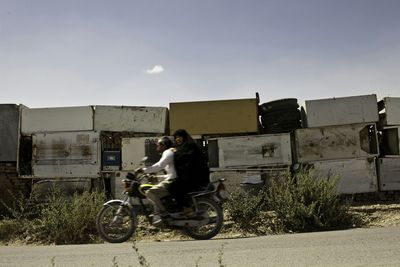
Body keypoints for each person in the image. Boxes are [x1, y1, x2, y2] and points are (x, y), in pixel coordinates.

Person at [169, 129, 210, 215]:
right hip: (190, 177)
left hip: (196, 178)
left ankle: (186, 208)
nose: (177, 139)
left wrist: (176, 153)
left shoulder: (191, 147)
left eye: (179, 137)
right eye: (176, 137)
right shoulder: (182, 148)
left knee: (172, 188)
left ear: (184, 137)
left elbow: (187, 160)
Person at [140, 136, 177, 225]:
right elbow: (171, 174)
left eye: (158, 145)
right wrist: (158, 177)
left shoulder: (168, 152)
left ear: (163, 145)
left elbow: (159, 166)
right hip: (175, 179)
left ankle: (164, 213)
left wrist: (143, 170)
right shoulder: (172, 152)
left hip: (174, 182)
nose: (157, 148)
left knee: (150, 192)